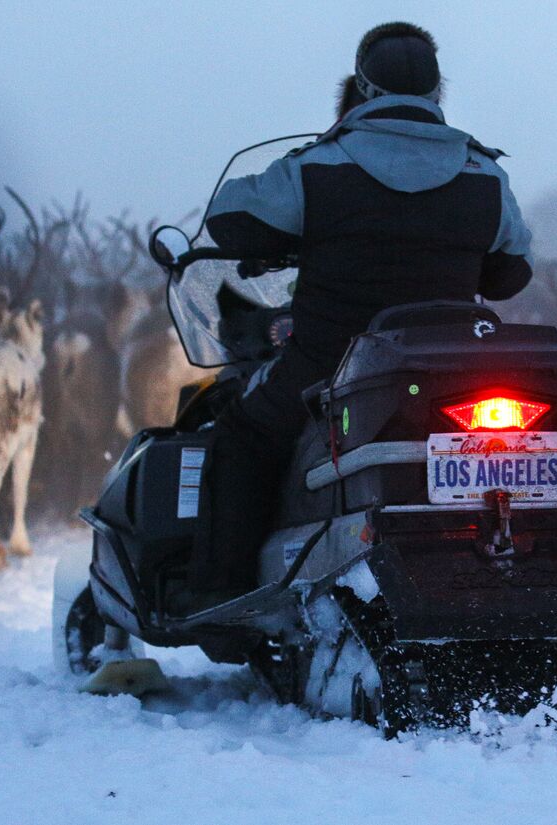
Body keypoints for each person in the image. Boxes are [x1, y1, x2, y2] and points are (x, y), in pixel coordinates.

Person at [185, 21, 533, 609]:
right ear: (435, 90)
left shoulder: (318, 168)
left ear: (363, 88)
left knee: (241, 435)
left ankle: (225, 602)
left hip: (328, 366)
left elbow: (228, 217)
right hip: (452, 369)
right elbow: (511, 273)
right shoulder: (484, 174)